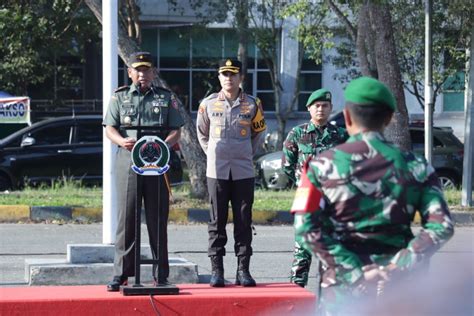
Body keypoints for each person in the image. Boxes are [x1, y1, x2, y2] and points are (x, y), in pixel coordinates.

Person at [291, 77, 454, 315]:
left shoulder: (320, 166)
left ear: (346, 117)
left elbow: (305, 230)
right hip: (399, 293)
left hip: (342, 295)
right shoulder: (416, 165)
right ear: (388, 118)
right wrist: (398, 266)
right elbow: (442, 226)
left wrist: (356, 272)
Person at [103, 52, 184, 291]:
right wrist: (120, 141)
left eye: (146, 70)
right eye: (137, 70)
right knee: (126, 219)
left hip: (157, 162)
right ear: (130, 73)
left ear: (153, 73)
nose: (142, 74)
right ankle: (122, 274)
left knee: (157, 218)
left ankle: (161, 274)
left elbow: (176, 130)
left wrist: (164, 145)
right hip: (128, 160)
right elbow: (110, 128)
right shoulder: (119, 97)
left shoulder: (165, 97)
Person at [196, 58, 266, 287]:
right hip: (216, 170)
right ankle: (217, 270)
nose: (229, 78)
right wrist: (215, 153)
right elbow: (202, 134)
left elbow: (259, 134)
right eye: (224, 74)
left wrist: (244, 153)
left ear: (241, 77)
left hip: (243, 170)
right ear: (219, 77)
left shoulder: (253, 104)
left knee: (244, 220)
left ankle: (243, 270)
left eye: (233, 74)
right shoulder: (208, 104)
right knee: (217, 220)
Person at [282, 88, 347, 288]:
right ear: (309, 108)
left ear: (330, 108)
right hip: (307, 198)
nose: (321, 109)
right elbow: (287, 165)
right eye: (317, 106)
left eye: (325, 106)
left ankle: (331, 296)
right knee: (303, 249)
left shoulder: (341, 135)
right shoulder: (297, 134)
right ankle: (296, 293)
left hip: (333, 200)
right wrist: (304, 182)